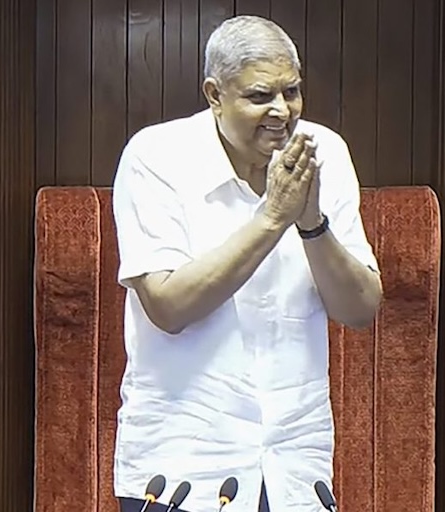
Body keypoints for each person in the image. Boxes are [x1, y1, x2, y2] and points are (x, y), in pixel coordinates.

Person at [111, 15, 383, 512]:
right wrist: (273, 219)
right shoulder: (156, 156)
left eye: (291, 92)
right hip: (183, 465)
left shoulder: (322, 153)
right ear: (214, 95)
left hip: (293, 465)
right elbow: (167, 307)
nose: (281, 110)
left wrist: (311, 223)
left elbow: (361, 309)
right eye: (260, 96)